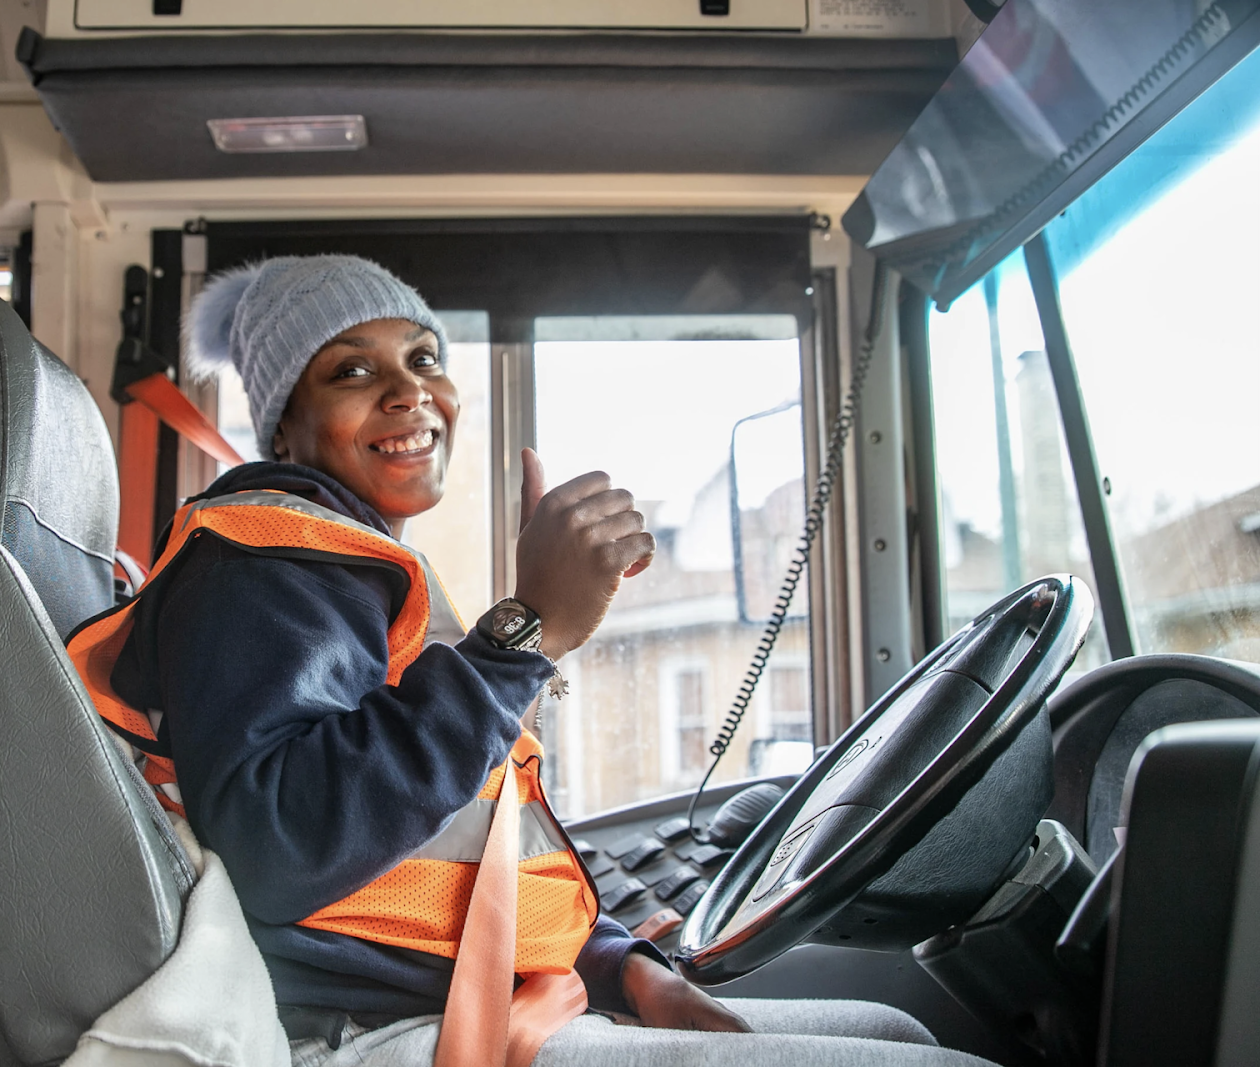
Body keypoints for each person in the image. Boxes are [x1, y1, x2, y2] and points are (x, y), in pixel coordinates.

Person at [71, 255, 995, 1067]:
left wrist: (623, 964)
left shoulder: (360, 566)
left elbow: (472, 835)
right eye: (351, 371)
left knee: (901, 1034)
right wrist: (527, 628)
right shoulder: (258, 561)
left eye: (423, 358)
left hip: (481, 991)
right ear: (284, 426)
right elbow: (281, 841)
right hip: (369, 1028)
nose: (408, 393)